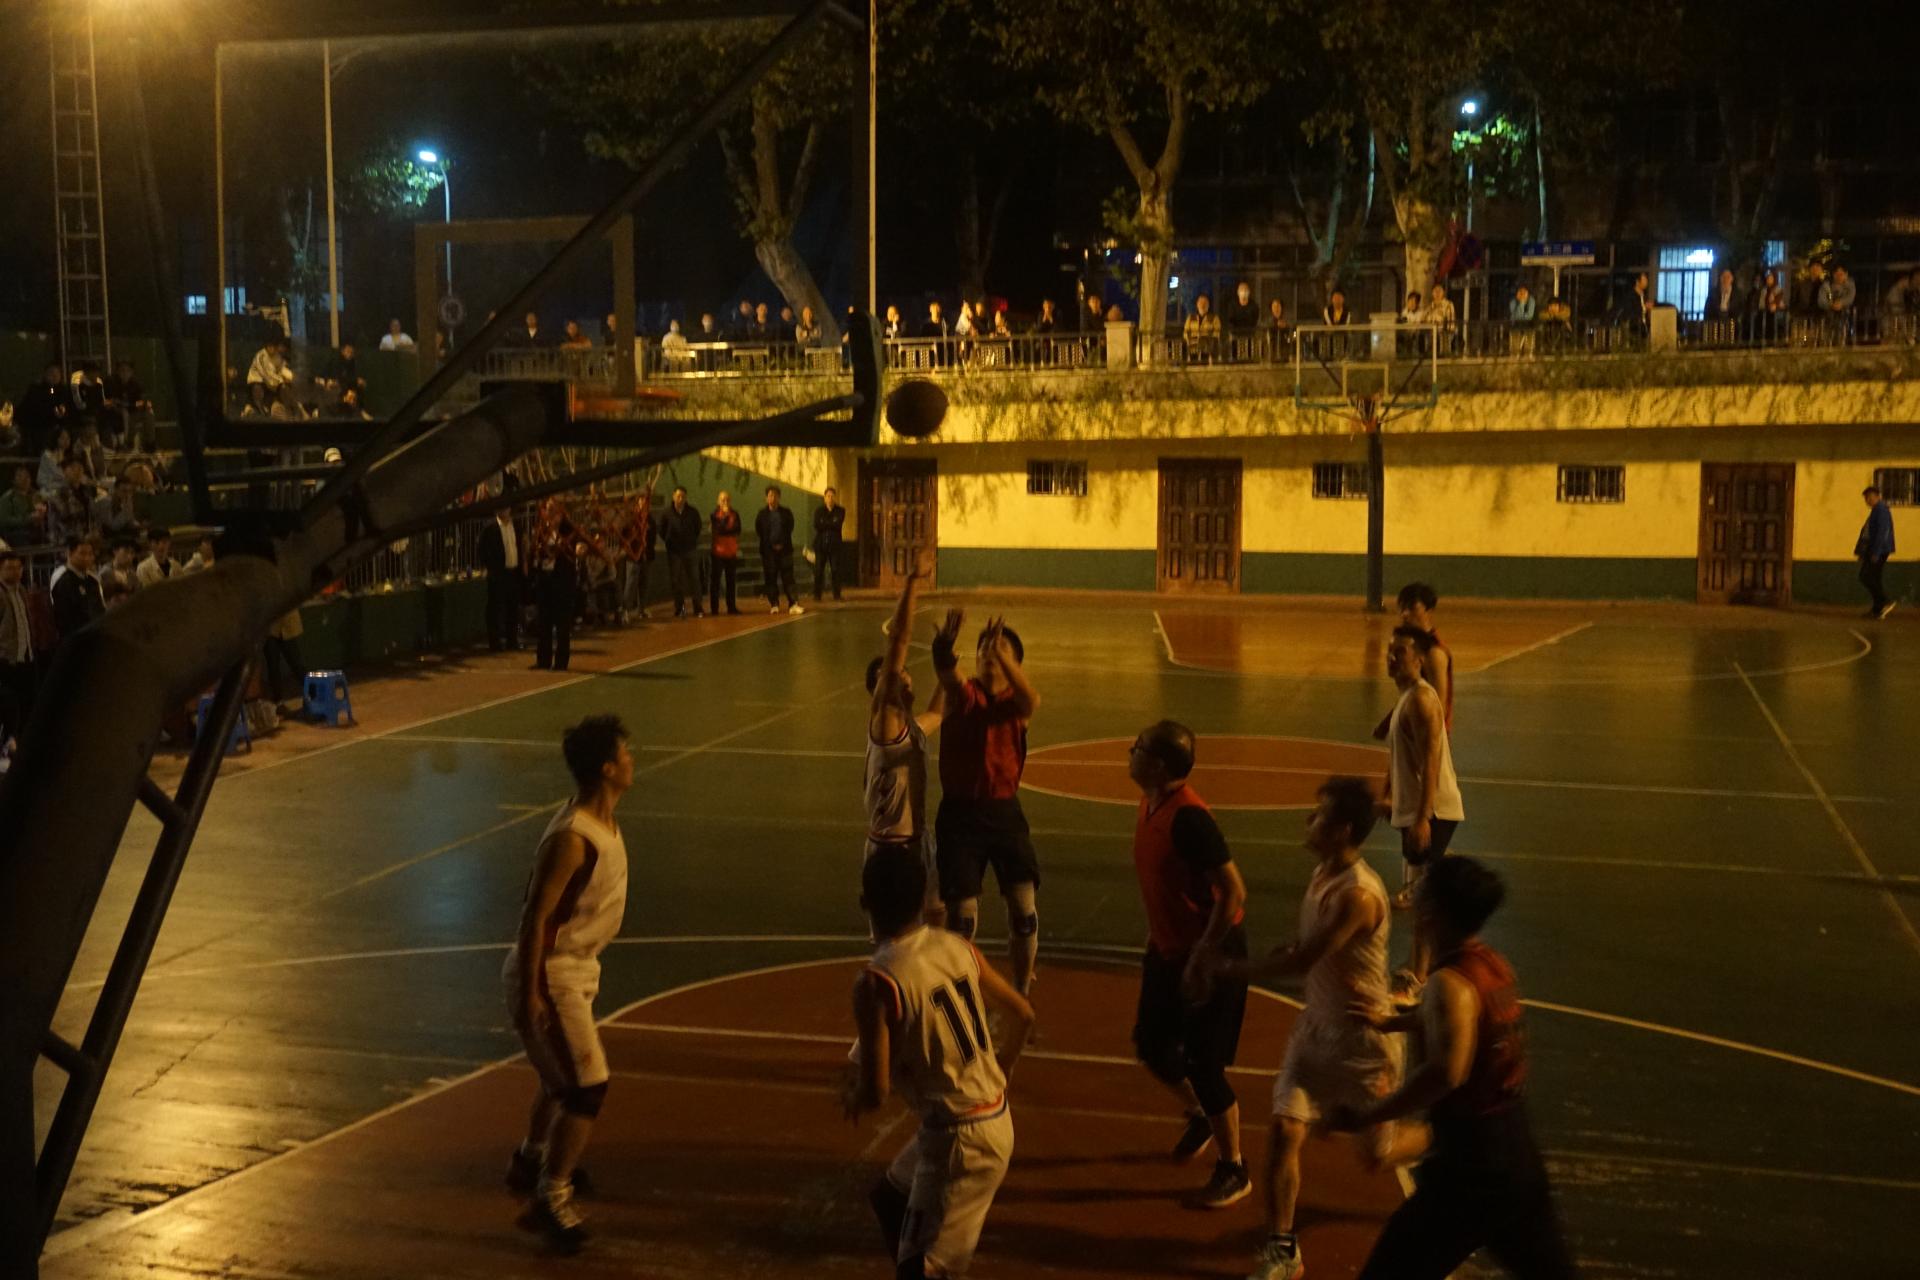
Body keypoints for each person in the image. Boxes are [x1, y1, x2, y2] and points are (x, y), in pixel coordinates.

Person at [1333, 857, 1578, 1280]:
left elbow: (1446, 1074)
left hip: (1472, 1166)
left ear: (1434, 910)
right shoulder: (1492, 963)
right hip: (1517, 1151)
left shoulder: (1448, 984)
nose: (1414, 899)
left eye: (1422, 892)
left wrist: (1369, 1114)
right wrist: (1391, 1021)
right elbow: (1462, 1023)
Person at [1217, 776, 1409, 1280]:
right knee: (1285, 1129)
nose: (1309, 820)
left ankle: (1440, 1141)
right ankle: (1283, 1249)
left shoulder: (1358, 896)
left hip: (1362, 1042)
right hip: (1316, 1030)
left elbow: (1305, 960)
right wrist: (1293, 948)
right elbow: (1312, 949)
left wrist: (1230, 970)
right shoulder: (1324, 872)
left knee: (1377, 1156)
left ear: (1342, 829)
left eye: (1319, 815)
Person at [845, 844, 1033, 1280]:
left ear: (864, 903)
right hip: (981, 1119)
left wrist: (854, 1094)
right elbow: (1023, 1014)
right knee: (890, 1199)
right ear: (921, 902)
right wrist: (1003, 1067)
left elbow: (876, 1092)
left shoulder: (875, 983)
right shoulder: (956, 946)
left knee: (922, 1271)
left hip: (960, 1140)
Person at [502, 714, 635, 1253]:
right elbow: (534, 918)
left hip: (576, 968)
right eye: (625, 754)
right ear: (607, 769)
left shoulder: (601, 822)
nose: (631, 760)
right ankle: (551, 1197)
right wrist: (531, 992)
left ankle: (531, 1158)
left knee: (560, 1077)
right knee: (588, 1086)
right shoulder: (573, 839)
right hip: (552, 972)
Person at [1125, 720, 1252, 1209]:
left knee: (1204, 1063)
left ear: (1158, 765)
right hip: (1169, 949)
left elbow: (1233, 890)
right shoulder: (1149, 803)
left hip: (1210, 954)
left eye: (1138, 748)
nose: (1130, 753)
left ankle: (1234, 1167)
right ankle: (1200, 1115)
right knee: (1152, 1045)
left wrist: (1202, 955)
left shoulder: (1189, 819)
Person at [932, 609, 1043, 995]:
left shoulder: (1017, 703)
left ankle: (1021, 990)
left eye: (1000, 649)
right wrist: (943, 647)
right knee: (963, 918)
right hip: (960, 816)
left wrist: (1002, 654)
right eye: (983, 649)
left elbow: (1032, 698)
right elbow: (947, 671)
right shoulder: (964, 695)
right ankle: (961, 994)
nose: (990, 654)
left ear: (1015, 663)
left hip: (1004, 812)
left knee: (1024, 912)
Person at [1382, 626, 1466, 997]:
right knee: (1422, 890)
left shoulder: (1421, 701)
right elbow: (1403, 755)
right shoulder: (1406, 698)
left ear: (1419, 660)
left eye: (1399, 652)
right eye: (1389, 652)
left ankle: (1418, 975)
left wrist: (1421, 818)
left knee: (1422, 897)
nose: (1391, 658)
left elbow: (1430, 761)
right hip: (1419, 809)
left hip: (1433, 811)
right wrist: (1389, 795)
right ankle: (1423, 965)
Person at [865, 557, 947, 927]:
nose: (903, 676)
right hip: (890, 849)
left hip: (917, 841)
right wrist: (913, 581)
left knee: (935, 918)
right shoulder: (885, 724)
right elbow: (897, 640)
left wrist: (946, 666)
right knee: (895, 935)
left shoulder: (911, 728)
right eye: (893, 675)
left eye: (905, 673)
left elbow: (938, 713)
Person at [0, 552, 40, 747]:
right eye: (10, 568)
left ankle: (24, 743)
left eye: (18, 568)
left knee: (27, 704)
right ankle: (9, 743)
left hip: (26, 656)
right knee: (9, 707)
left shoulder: (22, 590)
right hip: (6, 659)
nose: (15, 572)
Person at [530, 532, 578, 671]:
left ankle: (561, 662)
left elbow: (573, 553)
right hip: (545, 582)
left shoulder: (569, 533)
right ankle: (543, 660)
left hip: (562, 584)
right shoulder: (542, 533)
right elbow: (536, 554)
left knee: (562, 625)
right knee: (544, 623)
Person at [657, 486, 704, 618]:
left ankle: (698, 608)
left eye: (683, 496)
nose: (680, 499)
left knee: (694, 579)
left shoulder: (692, 512)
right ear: (673, 497)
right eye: (678, 496)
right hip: (674, 552)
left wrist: (691, 539)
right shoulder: (666, 513)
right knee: (676, 580)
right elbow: (661, 529)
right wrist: (668, 540)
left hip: (690, 550)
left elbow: (698, 527)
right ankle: (680, 608)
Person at [480, 507, 523, 650]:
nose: (504, 511)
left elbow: (518, 546)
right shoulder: (490, 528)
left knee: (513, 608)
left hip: (513, 570)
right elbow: (482, 550)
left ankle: (512, 640)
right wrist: (490, 567)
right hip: (498, 573)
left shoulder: (516, 525)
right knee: (495, 608)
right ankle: (495, 642)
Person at [755, 486, 802, 614]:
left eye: (775, 495)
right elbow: (759, 531)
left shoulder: (786, 513)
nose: (773, 498)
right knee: (770, 578)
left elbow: (790, 528)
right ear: (766, 498)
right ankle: (774, 604)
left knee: (788, 578)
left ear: (779, 497)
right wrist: (771, 545)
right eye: (770, 495)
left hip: (785, 551)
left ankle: (793, 604)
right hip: (768, 553)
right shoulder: (762, 514)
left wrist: (781, 544)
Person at [50, 537, 104, 642]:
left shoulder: (92, 581)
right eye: (82, 553)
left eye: (90, 554)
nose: (87, 558)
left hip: (94, 635)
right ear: (70, 554)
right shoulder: (63, 581)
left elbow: (99, 609)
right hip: (75, 639)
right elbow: (64, 617)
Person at [1857, 485, 1896, 619]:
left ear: (1878, 496)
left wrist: (1876, 552)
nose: (1868, 500)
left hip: (1879, 550)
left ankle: (1884, 601)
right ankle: (1877, 609)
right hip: (1876, 549)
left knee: (1866, 576)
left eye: (1870, 497)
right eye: (1866, 498)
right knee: (1874, 578)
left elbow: (1882, 532)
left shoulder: (1881, 510)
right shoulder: (1877, 510)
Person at [15, 363, 71, 455]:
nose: (54, 376)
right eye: (51, 373)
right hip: (40, 428)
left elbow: (67, 409)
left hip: (59, 429)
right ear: (45, 374)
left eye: (57, 374)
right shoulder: (36, 390)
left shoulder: (64, 391)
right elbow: (28, 410)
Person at [619, 486, 655, 622]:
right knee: (631, 583)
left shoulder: (649, 518)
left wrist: (648, 549)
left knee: (644, 583)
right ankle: (625, 610)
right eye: (642, 500)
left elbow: (653, 535)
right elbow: (624, 535)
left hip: (647, 555)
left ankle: (642, 609)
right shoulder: (630, 518)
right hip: (633, 556)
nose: (644, 503)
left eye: (646, 500)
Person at [103, 360, 157, 450]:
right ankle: (124, 443)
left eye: (128, 371)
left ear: (132, 372)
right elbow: (104, 400)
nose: (125, 374)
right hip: (116, 413)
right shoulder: (110, 382)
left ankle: (150, 443)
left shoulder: (136, 384)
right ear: (117, 372)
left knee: (149, 413)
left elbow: (145, 402)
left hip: (132, 411)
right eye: (122, 370)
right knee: (124, 415)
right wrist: (114, 403)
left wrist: (131, 405)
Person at [708, 491, 742, 616]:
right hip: (718, 552)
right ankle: (714, 608)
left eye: (727, 499)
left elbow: (737, 530)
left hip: (731, 552)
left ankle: (731, 607)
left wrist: (728, 528)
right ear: (718, 501)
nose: (725, 502)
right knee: (715, 582)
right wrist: (726, 518)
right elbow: (719, 530)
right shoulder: (714, 515)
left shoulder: (735, 514)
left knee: (731, 581)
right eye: (723, 500)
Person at [811, 487, 846, 602]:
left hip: (835, 545)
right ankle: (817, 595)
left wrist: (825, 523)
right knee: (819, 570)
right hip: (820, 545)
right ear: (824, 498)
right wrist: (831, 523)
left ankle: (837, 594)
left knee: (835, 570)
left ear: (835, 498)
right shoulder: (819, 511)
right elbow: (817, 525)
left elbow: (838, 524)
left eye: (832, 496)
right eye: (828, 496)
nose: (830, 498)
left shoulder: (840, 510)